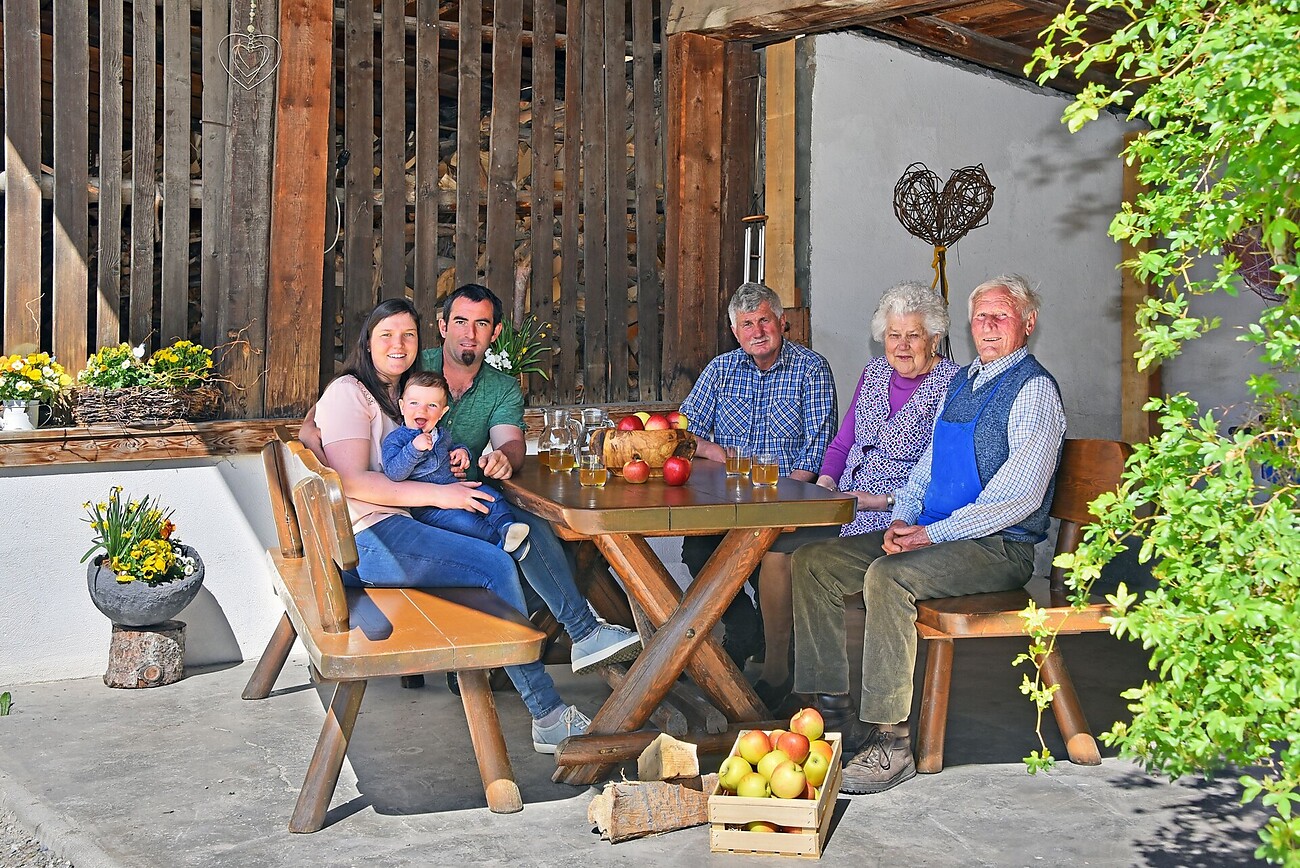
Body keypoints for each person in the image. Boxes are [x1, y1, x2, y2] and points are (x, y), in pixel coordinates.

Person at [307, 296, 638, 754]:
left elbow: (339, 438)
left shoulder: (391, 391)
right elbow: (352, 480)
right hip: (366, 537)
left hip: (386, 523)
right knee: (494, 565)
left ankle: (563, 652)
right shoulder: (351, 390)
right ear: (367, 341)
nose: (399, 344)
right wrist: (442, 494)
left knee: (513, 536)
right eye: (387, 335)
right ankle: (546, 711)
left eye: (408, 335)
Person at [791, 274, 1066, 795]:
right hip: (938, 533)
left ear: (1027, 324)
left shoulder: (1033, 391)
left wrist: (932, 533)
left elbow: (1017, 499)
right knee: (815, 562)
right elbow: (926, 469)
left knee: (888, 577)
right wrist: (905, 516)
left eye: (1001, 316)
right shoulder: (965, 382)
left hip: (998, 546)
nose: (988, 326)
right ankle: (833, 714)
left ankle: (891, 740)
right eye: (980, 316)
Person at [754, 282, 959, 711]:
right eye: (893, 335)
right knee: (776, 549)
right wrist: (827, 483)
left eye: (913, 335)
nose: (901, 346)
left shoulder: (953, 385)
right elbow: (843, 442)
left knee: (811, 560)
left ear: (935, 338)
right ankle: (779, 671)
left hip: (898, 514)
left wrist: (879, 500)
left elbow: (942, 474)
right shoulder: (874, 373)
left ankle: (823, 692)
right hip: (845, 504)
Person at [419, 283, 641, 676]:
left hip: (468, 499)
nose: (470, 333)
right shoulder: (414, 366)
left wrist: (502, 459)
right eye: (461, 322)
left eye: (481, 324)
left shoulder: (501, 386)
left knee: (542, 538)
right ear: (443, 326)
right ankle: (571, 635)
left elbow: (511, 443)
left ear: (495, 333)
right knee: (527, 542)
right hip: (412, 502)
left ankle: (492, 654)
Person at [677, 282, 838, 681]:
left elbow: (816, 451)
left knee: (763, 552)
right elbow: (682, 433)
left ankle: (771, 646)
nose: (758, 331)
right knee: (698, 551)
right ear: (735, 332)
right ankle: (747, 629)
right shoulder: (721, 369)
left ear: (782, 322)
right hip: (726, 501)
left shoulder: (811, 369)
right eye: (747, 324)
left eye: (764, 320)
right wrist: (717, 452)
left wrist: (784, 501)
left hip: (786, 501)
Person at [381, 370, 531, 557]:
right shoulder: (396, 439)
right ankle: (501, 544)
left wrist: (462, 453)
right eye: (414, 403)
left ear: (442, 412)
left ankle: (506, 526)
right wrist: (413, 449)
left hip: (457, 487)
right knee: (465, 522)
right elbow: (394, 472)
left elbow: (452, 448)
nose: (422, 410)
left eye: (432, 405)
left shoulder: (442, 434)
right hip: (428, 507)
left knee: (490, 496)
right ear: (402, 407)